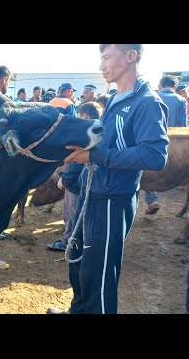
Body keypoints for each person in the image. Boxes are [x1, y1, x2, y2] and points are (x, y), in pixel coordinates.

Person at [47, 44, 169, 314]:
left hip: (113, 200)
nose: (101, 66)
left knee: (98, 275)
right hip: (91, 194)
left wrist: (97, 157)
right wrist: (71, 174)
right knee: (78, 262)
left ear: (130, 56)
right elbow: (96, 142)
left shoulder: (147, 102)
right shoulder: (115, 98)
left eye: (106, 58)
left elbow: (155, 156)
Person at [47, 102, 103, 251]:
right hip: (92, 184)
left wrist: (66, 179)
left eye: (79, 115)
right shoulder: (100, 130)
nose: (77, 118)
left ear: (84, 115)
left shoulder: (84, 133)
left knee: (72, 214)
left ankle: (68, 242)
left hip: (76, 184)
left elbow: (77, 161)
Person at [144, 75, 187, 215]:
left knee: (144, 170)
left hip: (154, 140)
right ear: (174, 86)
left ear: (160, 85)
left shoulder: (153, 96)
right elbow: (182, 126)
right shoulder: (181, 100)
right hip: (176, 145)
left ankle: (152, 199)